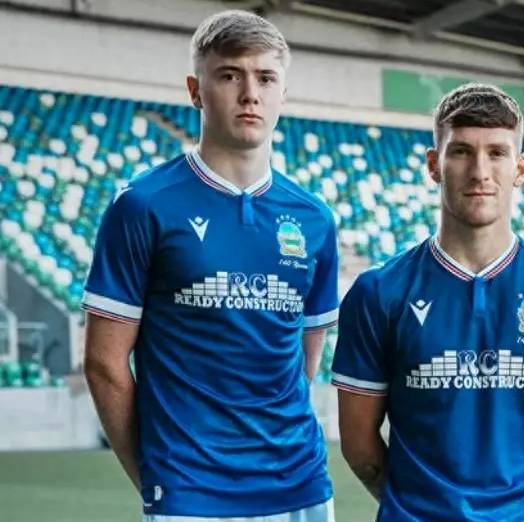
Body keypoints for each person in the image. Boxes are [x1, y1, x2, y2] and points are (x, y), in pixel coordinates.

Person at [82, 10, 337, 521]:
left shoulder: (315, 219)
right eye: (230, 75)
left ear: (283, 94)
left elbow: (302, 360)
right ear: (196, 91)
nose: (250, 94)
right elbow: (104, 364)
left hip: (301, 486)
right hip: (189, 491)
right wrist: (155, 477)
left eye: (266, 78)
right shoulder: (143, 204)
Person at [331, 83, 524, 521]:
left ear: (520, 168)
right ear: (434, 165)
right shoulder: (378, 292)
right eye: (461, 151)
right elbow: (359, 443)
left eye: (497, 153)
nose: (480, 171)